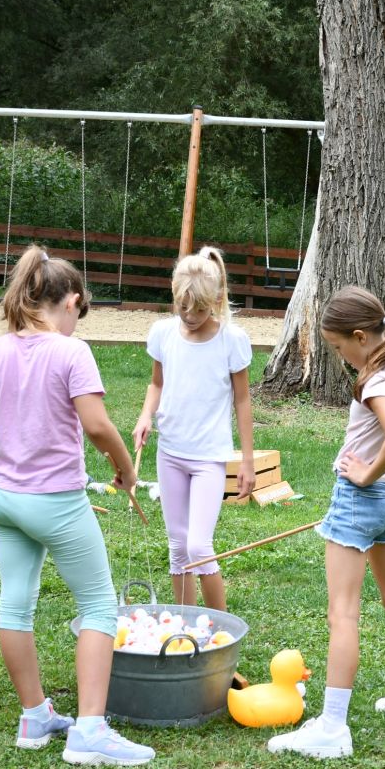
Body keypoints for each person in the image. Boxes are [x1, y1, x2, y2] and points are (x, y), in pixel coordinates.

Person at [0, 245, 154, 765]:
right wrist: (127, 469)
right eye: (77, 316)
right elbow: (98, 425)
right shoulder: (70, 352)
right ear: (72, 302)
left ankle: (35, 715)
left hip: (3, 500)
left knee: (16, 603)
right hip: (55, 502)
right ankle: (89, 732)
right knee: (99, 606)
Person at [268, 286, 385, 760]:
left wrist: (364, 471)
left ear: (360, 336)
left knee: (342, 614)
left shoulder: (375, 381)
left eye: (340, 348)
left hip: (361, 499)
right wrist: (383, 465)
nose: (340, 356)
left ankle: (332, 727)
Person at [133, 247, 254, 609]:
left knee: (199, 546)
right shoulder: (163, 334)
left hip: (208, 459)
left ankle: (222, 631)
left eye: (200, 309)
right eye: (183, 307)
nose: (190, 315)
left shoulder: (231, 341)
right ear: (174, 292)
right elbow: (157, 384)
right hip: (170, 453)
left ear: (217, 300)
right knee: (177, 546)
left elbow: (243, 401)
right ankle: (185, 625)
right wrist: (145, 416)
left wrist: (247, 461)